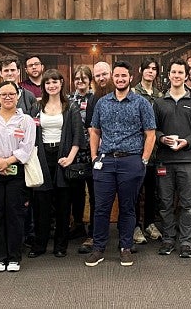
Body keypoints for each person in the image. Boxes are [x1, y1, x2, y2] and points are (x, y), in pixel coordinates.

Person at [85, 61, 156, 267]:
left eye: (124, 76)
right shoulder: (102, 103)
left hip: (131, 161)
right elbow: (95, 131)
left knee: (127, 208)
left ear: (130, 77)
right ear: (112, 78)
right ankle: (98, 248)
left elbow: (150, 134)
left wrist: (143, 159)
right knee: (101, 208)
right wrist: (93, 157)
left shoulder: (141, 103)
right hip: (105, 161)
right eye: (117, 76)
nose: (120, 79)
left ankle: (125, 247)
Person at [0, 81, 36, 272]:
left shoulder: (26, 120)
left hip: (16, 171)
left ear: (18, 95)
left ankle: (14, 258)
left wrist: (8, 161)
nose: (8, 97)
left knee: (15, 214)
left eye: (12, 94)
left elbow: (27, 147)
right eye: (4, 94)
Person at [153, 59, 191, 258]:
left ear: (185, 75)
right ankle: (168, 239)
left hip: (187, 160)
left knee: (187, 204)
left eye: (180, 72)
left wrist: (187, 142)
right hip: (164, 160)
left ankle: (185, 242)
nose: (176, 75)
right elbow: (153, 130)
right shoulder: (159, 102)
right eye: (173, 72)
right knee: (165, 204)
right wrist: (161, 138)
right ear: (169, 75)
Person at [28, 69, 83, 258]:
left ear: (61, 83)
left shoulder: (71, 107)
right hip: (42, 157)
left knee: (63, 204)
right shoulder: (36, 107)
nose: (51, 86)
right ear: (43, 86)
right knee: (41, 203)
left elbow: (78, 136)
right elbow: (30, 133)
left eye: (55, 82)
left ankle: (61, 245)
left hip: (64, 157)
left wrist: (70, 157)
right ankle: (40, 244)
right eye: (47, 83)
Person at [77, 61, 112, 254]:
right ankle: (94, 235)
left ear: (111, 74)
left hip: (121, 155)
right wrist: (95, 154)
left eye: (104, 74)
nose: (101, 78)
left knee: (125, 199)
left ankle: (126, 236)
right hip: (99, 156)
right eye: (97, 76)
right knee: (96, 198)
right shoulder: (93, 100)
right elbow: (92, 128)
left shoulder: (126, 95)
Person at [131, 57, 163, 243]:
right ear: (141, 70)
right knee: (135, 190)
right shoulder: (134, 93)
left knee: (152, 189)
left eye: (154, 69)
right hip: (136, 148)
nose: (150, 71)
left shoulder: (160, 95)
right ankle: (135, 226)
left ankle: (150, 223)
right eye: (147, 68)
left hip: (156, 150)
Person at [67, 65, 93, 240]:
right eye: (77, 78)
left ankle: (94, 228)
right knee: (75, 192)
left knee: (94, 192)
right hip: (74, 151)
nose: (80, 81)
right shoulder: (68, 100)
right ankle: (77, 224)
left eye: (84, 78)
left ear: (89, 80)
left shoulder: (97, 99)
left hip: (92, 150)